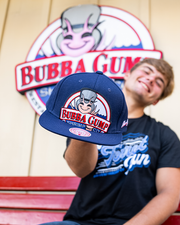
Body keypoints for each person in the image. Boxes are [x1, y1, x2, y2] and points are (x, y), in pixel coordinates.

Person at [40, 58, 180, 225]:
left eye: (159, 81)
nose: (151, 79)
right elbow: (81, 169)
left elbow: (169, 194)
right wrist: (89, 124)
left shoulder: (165, 135)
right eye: (147, 71)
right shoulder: (87, 119)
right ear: (127, 75)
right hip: (80, 222)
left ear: (156, 99)